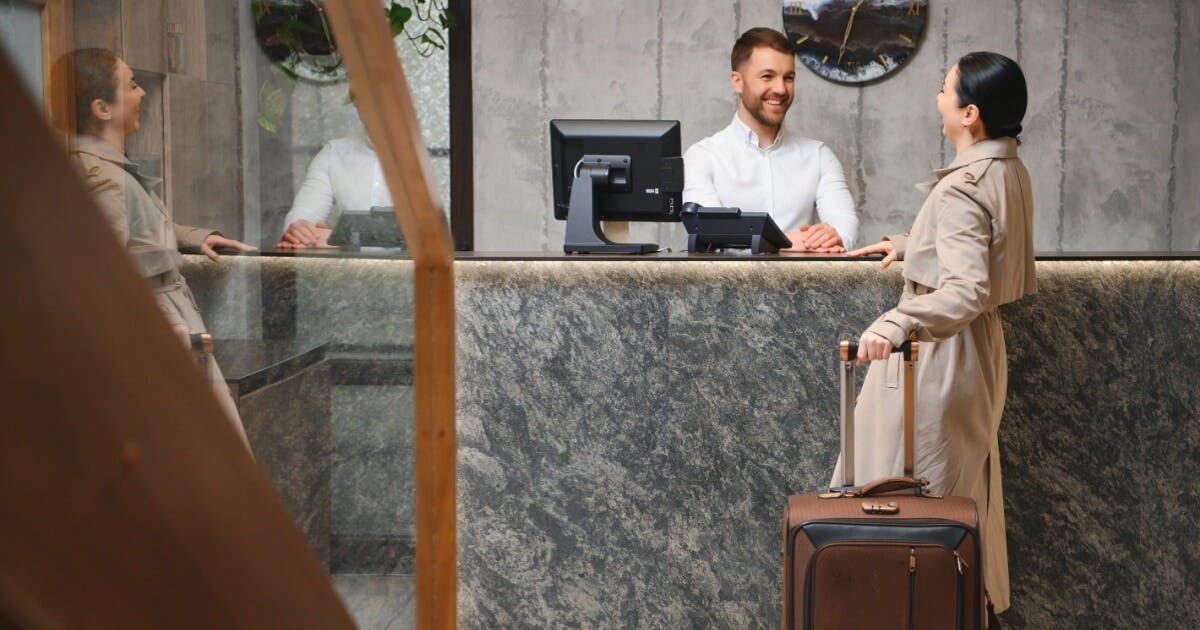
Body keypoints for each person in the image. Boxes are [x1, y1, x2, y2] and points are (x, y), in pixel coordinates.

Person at [838, 52, 1036, 625]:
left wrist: (899, 320)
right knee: (956, 505)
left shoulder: (963, 187)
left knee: (911, 515)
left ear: (970, 113)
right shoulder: (1007, 170)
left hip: (938, 360)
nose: (937, 99)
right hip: (974, 353)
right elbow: (984, 248)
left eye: (944, 90)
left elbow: (967, 287)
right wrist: (911, 244)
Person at [63, 48, 256, 447]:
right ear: (102, 107)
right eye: (131, 85)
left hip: (169, 318)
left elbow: (135, 230)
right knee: (211, 451)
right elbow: (101, 277)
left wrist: (192, 237)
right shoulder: (103, 177)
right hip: (163, 324)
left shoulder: (108, 169)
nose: (142, 94)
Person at [683, 27, 859, 252]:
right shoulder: (702, 156)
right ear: (737, 82)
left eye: (789, 78)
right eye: (767, 76)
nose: (780, 89)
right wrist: (789, 242)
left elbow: (845, 229)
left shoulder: (819, 156)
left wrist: (831, 237)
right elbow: (709, 233)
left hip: (806, 288)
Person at [276, 133, 392, 248]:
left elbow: (408, 233)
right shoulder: (333, 152)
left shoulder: (410, 153)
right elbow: (305, 211)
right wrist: (300, 232)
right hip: (350, 266)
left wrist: (340, 239)